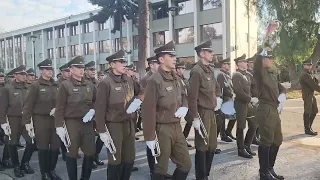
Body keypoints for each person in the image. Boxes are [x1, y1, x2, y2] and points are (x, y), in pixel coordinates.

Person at [143, 41, 192, 180]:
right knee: (161, 168)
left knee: (185, 164)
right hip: (162, 129)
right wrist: (150, 136)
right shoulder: (155, 80)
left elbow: (184, 95)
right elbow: (148, 110)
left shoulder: (176, 77)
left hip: (176, 127)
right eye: (171, 55)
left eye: (174, 55)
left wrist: (185, 105)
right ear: (161, 59)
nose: (175, 58)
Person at [95, 50, 143, 180]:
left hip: (129, 124)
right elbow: (99, 109)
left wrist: (138, 99)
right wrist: (101, 131)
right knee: (115, 159)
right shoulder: (106, 83)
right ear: (112, 64)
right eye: (121, 62)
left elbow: (141, 91)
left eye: (124, 61)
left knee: (129, 158)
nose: (124, 64)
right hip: (114, 125)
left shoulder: (129, 80)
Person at [55, 56, 96, 180]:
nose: (81, 70)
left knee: (90, 153)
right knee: (72, 153)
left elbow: (96, 100)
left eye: (82, 67)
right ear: (71, 70)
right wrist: (59, 126)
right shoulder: (65, 85)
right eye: (78, 68)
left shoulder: (89, 84)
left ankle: (85, 178)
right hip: (71, 123)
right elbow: (60, 107)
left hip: (87, 123)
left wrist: (93, 110)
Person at [22, 59, 62, 180]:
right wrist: (27, 123)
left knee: (55, 148)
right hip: (41, 120)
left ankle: (51, 170)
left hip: (55, 120)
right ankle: (44, 173)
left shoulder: (56, 85)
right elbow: (28, 105)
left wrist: (57, 109)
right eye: (47, 69)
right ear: (41, 71)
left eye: (51, 69)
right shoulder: (35, 86)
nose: (50, 71)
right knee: (43, 148)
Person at [188, 40, 222, 180]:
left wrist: (218, 97)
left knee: (212, 145)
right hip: (202, 112)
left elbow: (216, 87)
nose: (212, 54)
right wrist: (195, 117)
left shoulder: (209, 69)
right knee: (202, 146)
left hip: (211, 112)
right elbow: (192, 97)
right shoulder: (197, 71)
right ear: (202, 54)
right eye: (209, 52)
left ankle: (206, 173)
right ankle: (201, 177)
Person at [253, 50, 286, 180]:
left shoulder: (271, 75)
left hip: (274, 109)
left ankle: (270, 168)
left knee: (277, 140)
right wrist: (260, 52)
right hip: (265, 109)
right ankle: (264, 173)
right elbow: (256, 66)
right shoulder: (260, 74)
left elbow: (281, 87)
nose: (272, 60)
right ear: (262, 60)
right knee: (266, 141)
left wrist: (283, 94)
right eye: (269, 57)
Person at [140, 56, 173, 179]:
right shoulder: (146, 79)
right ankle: (152, 170)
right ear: (150, 65)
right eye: (155, 63)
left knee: (161, 146)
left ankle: (161, 170)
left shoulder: (161, 77)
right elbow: (143, 96)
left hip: (161, 116)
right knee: (151, 144)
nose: (158, 65)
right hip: (150, 115)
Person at [0, 65, 35, 178]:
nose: (24, 76)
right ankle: (16, 166)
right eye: (21, 74)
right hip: (12, 119)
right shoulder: (7, 88)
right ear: (15, 76)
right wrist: (3, 122)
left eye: (25, 74)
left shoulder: (29, 88)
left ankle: (25, 163)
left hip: (26, 119)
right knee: (12, 143)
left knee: (31, 142)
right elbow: (3, 107)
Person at [232, 54, 258, 159]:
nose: (246, 63)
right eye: (244, 62)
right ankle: (241, 149)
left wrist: (255, 97)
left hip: (249, 103)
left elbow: (253, 87)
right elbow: (238, 91)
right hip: (240, 103)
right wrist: (250, 98)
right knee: (241, 126)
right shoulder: (236, 75)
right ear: (238, 64)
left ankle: (247, 145)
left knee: (254, 124)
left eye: (246, 62)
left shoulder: (247, 74)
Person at [84, 61, 105, 169]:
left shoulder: (97, 82)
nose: (93, 72)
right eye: (91, 70)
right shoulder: (83, 82)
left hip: (98, 113)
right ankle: (90, 158)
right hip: (88, 114)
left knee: (101, 135)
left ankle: (96, 155)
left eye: (94, 70)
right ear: (85, 71)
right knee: (90, 138)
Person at [56, 63, 75, 161]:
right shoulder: (58, 83)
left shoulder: (72, 82)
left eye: (69, 71)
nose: (68, 73)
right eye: (66, 71)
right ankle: (64, 151)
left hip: (71, 111)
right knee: (63, 134)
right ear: (62, 72)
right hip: (62, 112)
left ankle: (71, 150)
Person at [299, 59, 320, 136]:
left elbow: (315, 83)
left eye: (310, 65)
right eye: (308, 65)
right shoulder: (305, 75)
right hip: (307, 95)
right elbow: (313, 85)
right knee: (308, 111)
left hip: (311, 94)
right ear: (304, 65)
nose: (310, 66)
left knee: (314, 111)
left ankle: (309, 127)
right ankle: (307, 129)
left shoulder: (309, 73)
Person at [216, 57, 234, 143]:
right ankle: (223, 134)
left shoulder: (227, 75)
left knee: (234, 116)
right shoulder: (221, 75)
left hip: (230, 98)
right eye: (228, 64)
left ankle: (228, 131)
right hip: (224, 98)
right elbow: (220, 88)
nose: (229, 66)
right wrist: (220, 98)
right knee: (222, 117)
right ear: (223, 65)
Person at [175, 63, 193, 148]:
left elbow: (188, 91)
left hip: (186, 104)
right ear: (177, 69)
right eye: (182, 68)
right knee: (176, 124)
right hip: (178, 104)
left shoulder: (184, 79)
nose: (183, 70)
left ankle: (183, 138)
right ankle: (177, 141)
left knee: (190, 120)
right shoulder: (175, 79)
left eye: (184, 69)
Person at [247, 56, 260, 145]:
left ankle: (256, 136)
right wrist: (251, 98)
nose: (253, 64)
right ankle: (253, 138)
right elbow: (249, 88)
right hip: (252, 100)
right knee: (253, 121)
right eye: (251, 63)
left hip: (258, 98)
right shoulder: (247, 75)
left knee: (258, 119)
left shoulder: (255, 73)